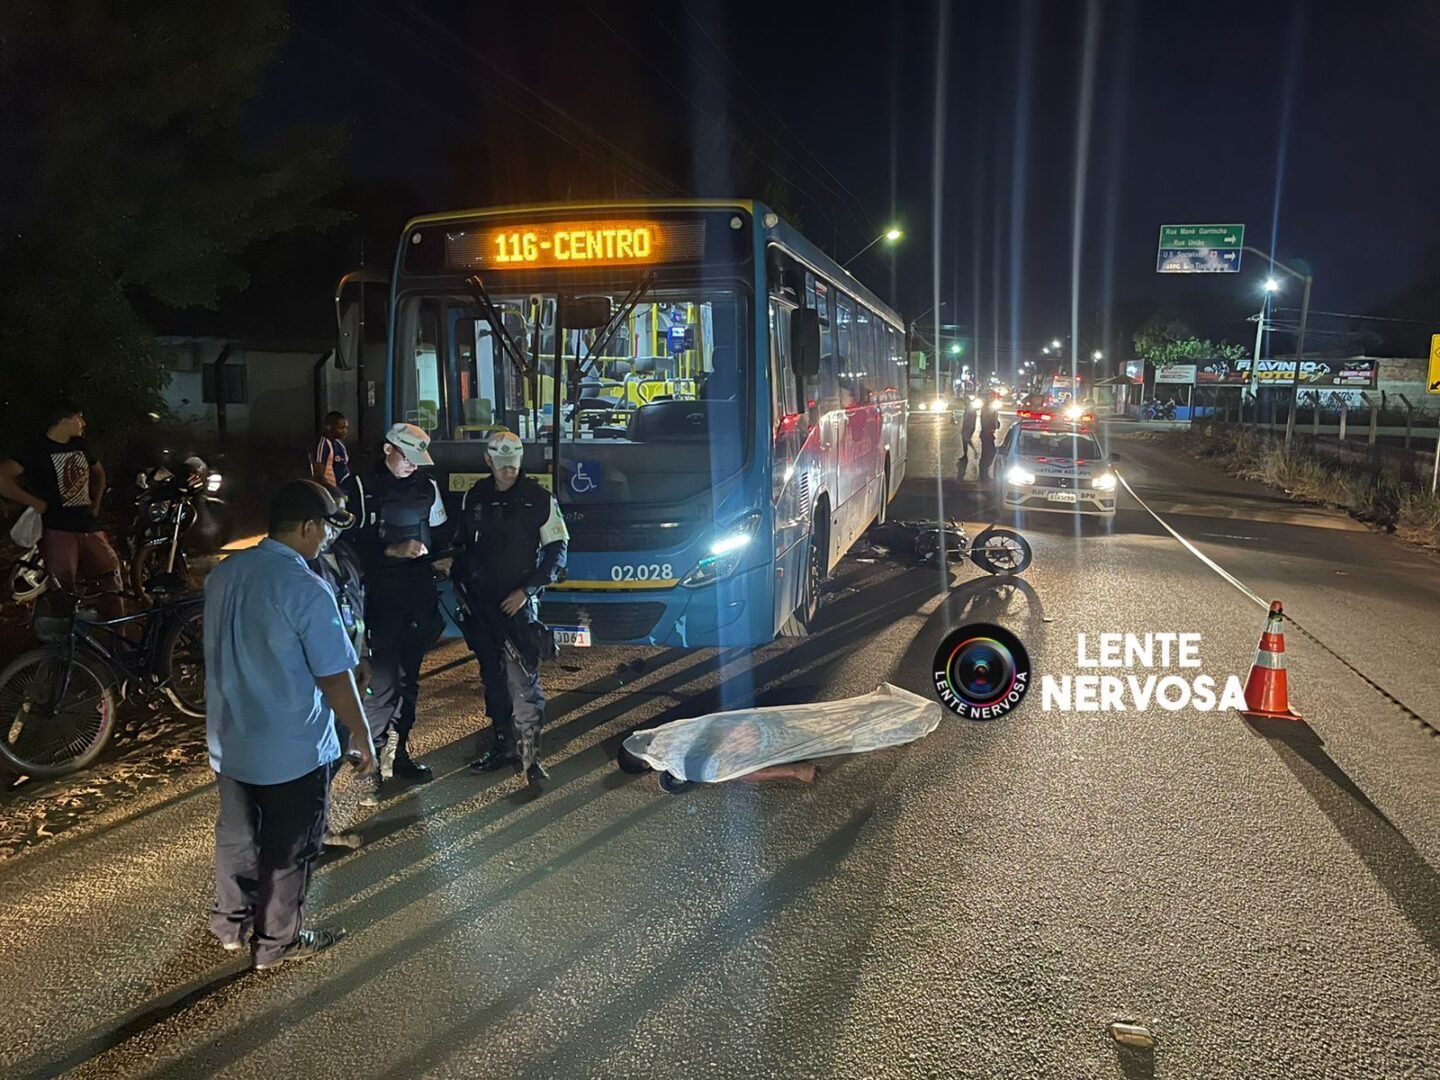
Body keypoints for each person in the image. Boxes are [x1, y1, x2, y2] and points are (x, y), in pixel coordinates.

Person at [205, 481, 375, 970]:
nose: (325, 539)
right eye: (323, 528)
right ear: (307, 527)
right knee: (290, 847)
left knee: (237, 836)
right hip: (291, 746)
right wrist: (361, 734)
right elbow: (334, 675)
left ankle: (231, 926)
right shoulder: (305, 587)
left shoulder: (225, 575)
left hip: (231, 739)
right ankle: (276, 943)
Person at [340, 422, 450, 803]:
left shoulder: (426, 487)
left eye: (419, 460)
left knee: (409, 682)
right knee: (380, 686)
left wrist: (444, 558)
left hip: (417, 593)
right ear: (388, 449)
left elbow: (440, 534)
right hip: (378, 597)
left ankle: (398, 753)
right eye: (407, 457)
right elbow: (342, 547)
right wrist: (391, 551)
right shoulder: (357, 488)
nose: (413, 467)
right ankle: (368, 766)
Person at [456, 431, 569, 785]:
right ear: (488, 461)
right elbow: (463, 546)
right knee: (492, 677)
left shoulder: (539, 498)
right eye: (501, 464)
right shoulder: (475, 497)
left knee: (523, 679)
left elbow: (557, 552)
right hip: (482, 603)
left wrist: (527, 590)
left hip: (518, 604)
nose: (508, 470)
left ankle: (531, 759)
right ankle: (502, 744)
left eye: (513, 463)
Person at [0, 401, 124, 619]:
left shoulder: (81, 446)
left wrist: (95, 504)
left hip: (88, 525)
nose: (83, 423)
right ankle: (62, 645)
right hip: (57, 529)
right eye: (79, 417)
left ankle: (118, 634)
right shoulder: (35, 450)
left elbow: (99, 473)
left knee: (111, 575)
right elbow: (3, 477)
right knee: (63, 587)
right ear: (64, 420)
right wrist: (33, 501)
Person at [308, 517, 370, 849]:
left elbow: (359, 605)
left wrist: (364, 653)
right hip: (323, 675)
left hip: (349, 661)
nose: (332, 532)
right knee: (320, 756)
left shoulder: (347, 555)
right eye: (327, 523)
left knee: (334, 752)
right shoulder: (303, 565)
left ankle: (317, 828)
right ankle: (315, 832)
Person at [309, 411, 351, 490]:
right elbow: (319, 475)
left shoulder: (340, 444)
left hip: (344, 487)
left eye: (346, 428)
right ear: (329, 427)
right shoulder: (323, 445)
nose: (345, 431)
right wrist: (333, 491)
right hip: (331, 491)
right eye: (341, 428)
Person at [978, 395, 1002, 481]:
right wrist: (993, 426)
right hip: (987, 434)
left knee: (989, 453)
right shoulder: (987, 409)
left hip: (988, 434)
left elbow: (994, 421)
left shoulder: (990, 409)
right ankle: (983, 475)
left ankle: (983, 474)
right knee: (987, 454)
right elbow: (987, 421)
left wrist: (996, 424)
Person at [957, 397, 979, 465]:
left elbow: (969, 418)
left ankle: (974, 451)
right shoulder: (968, 407)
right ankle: (965, 456)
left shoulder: (970, 408)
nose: (964, 402)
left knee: (967, 440)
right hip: (967, 427)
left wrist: (970, 427)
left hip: (969, 427)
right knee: (964, 441)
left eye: (965, 401)